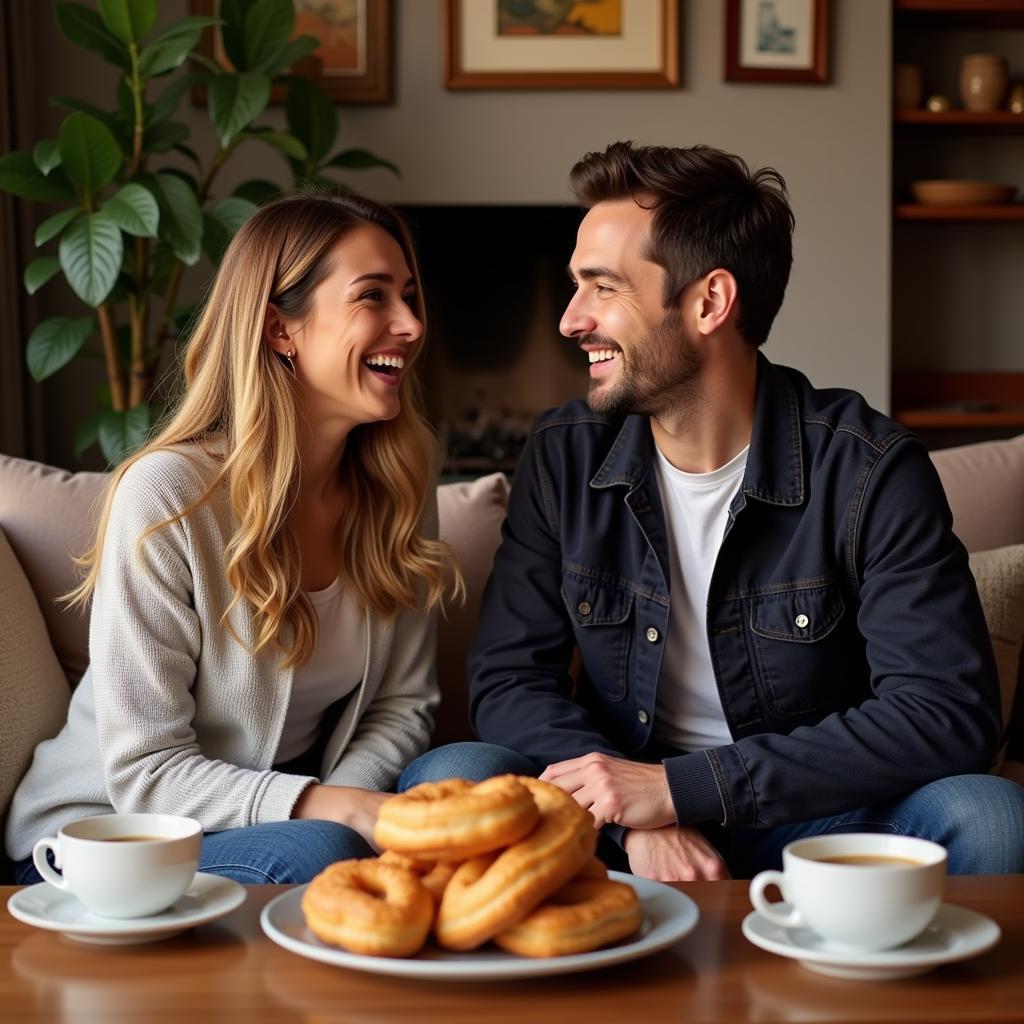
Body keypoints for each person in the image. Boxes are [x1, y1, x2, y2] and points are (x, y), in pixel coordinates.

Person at [403, 142, 1024, 880]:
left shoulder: (868, 467)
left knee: (991, 817)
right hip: (611, 812)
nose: (571, 321)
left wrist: (681, 790)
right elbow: (510, 681)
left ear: (709, 302)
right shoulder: (564, 454)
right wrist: (632, 815)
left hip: (812, 815)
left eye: (602, 288)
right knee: (454, 771)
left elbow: (944, 712)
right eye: (575, 286)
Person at [6, 192, 461, 885]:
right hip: (114, 841)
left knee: (484, 775)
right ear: (281, 329)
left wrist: (353, 805)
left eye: (410, 296)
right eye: (373, 297)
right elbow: (145, 771)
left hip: (295, 811)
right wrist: (331, 816)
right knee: (321, 857)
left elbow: (404, 703)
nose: (410, 325)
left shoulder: (400, 479)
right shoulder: (168, 495)